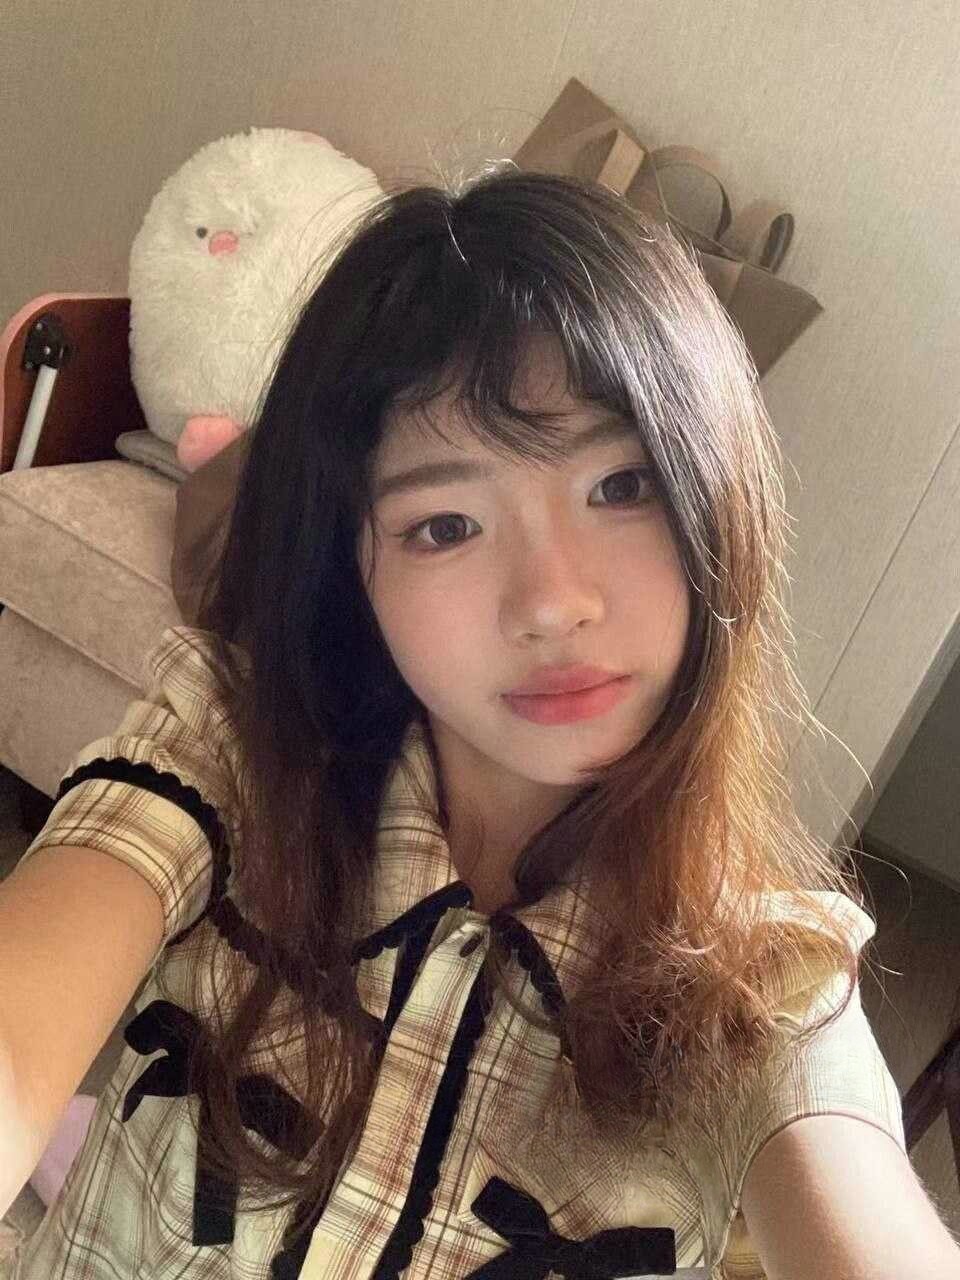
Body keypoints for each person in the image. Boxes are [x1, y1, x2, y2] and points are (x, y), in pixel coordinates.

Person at [2, 164, 944, 1279]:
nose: (551, 601)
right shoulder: (231, 752)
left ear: (716, 497)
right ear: (355, 567)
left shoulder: (763, 984)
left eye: (621, 486)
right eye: (444, 524)